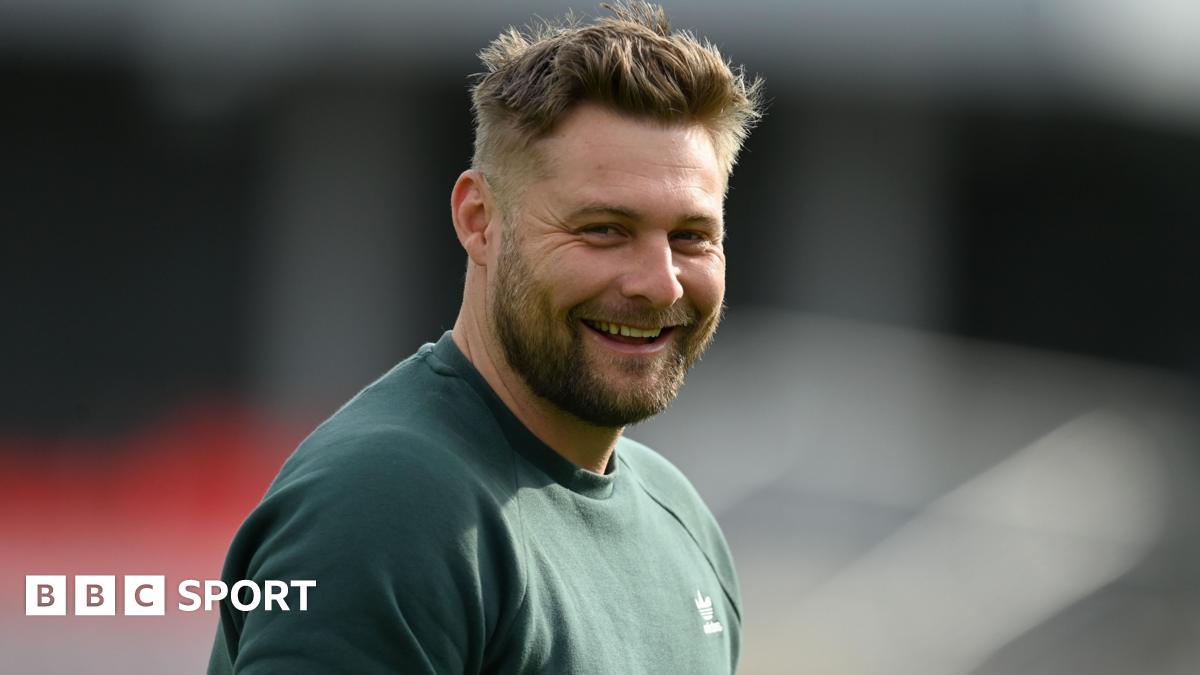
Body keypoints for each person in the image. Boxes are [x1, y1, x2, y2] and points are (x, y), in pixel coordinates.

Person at [208, 2, 763, 673]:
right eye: (604, 229)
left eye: (691, 237)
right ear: (479, 220)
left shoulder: (683, 523)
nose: (662, 283)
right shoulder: (388, 504)